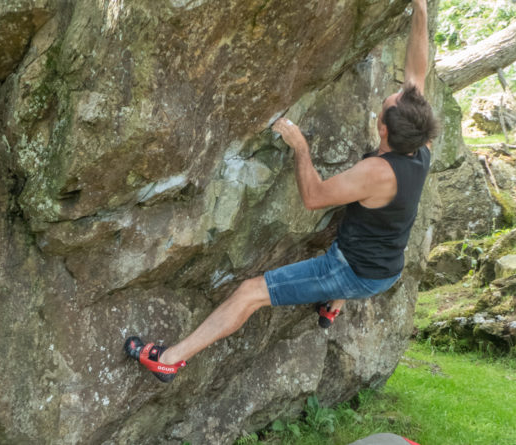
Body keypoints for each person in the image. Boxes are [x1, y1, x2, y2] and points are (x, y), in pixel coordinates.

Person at [125, 0, 438, 383]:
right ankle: (332, 306)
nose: (387, 100)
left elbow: (313, 198)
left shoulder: (377, 172)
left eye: (383, 107)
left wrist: (300, 146)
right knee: (363, 239)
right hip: (388, 265)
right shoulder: (419, 142)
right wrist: (420, 9)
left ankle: (169, 359)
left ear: (384, 130)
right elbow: (416, 74)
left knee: (250, 293)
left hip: (354, 270)